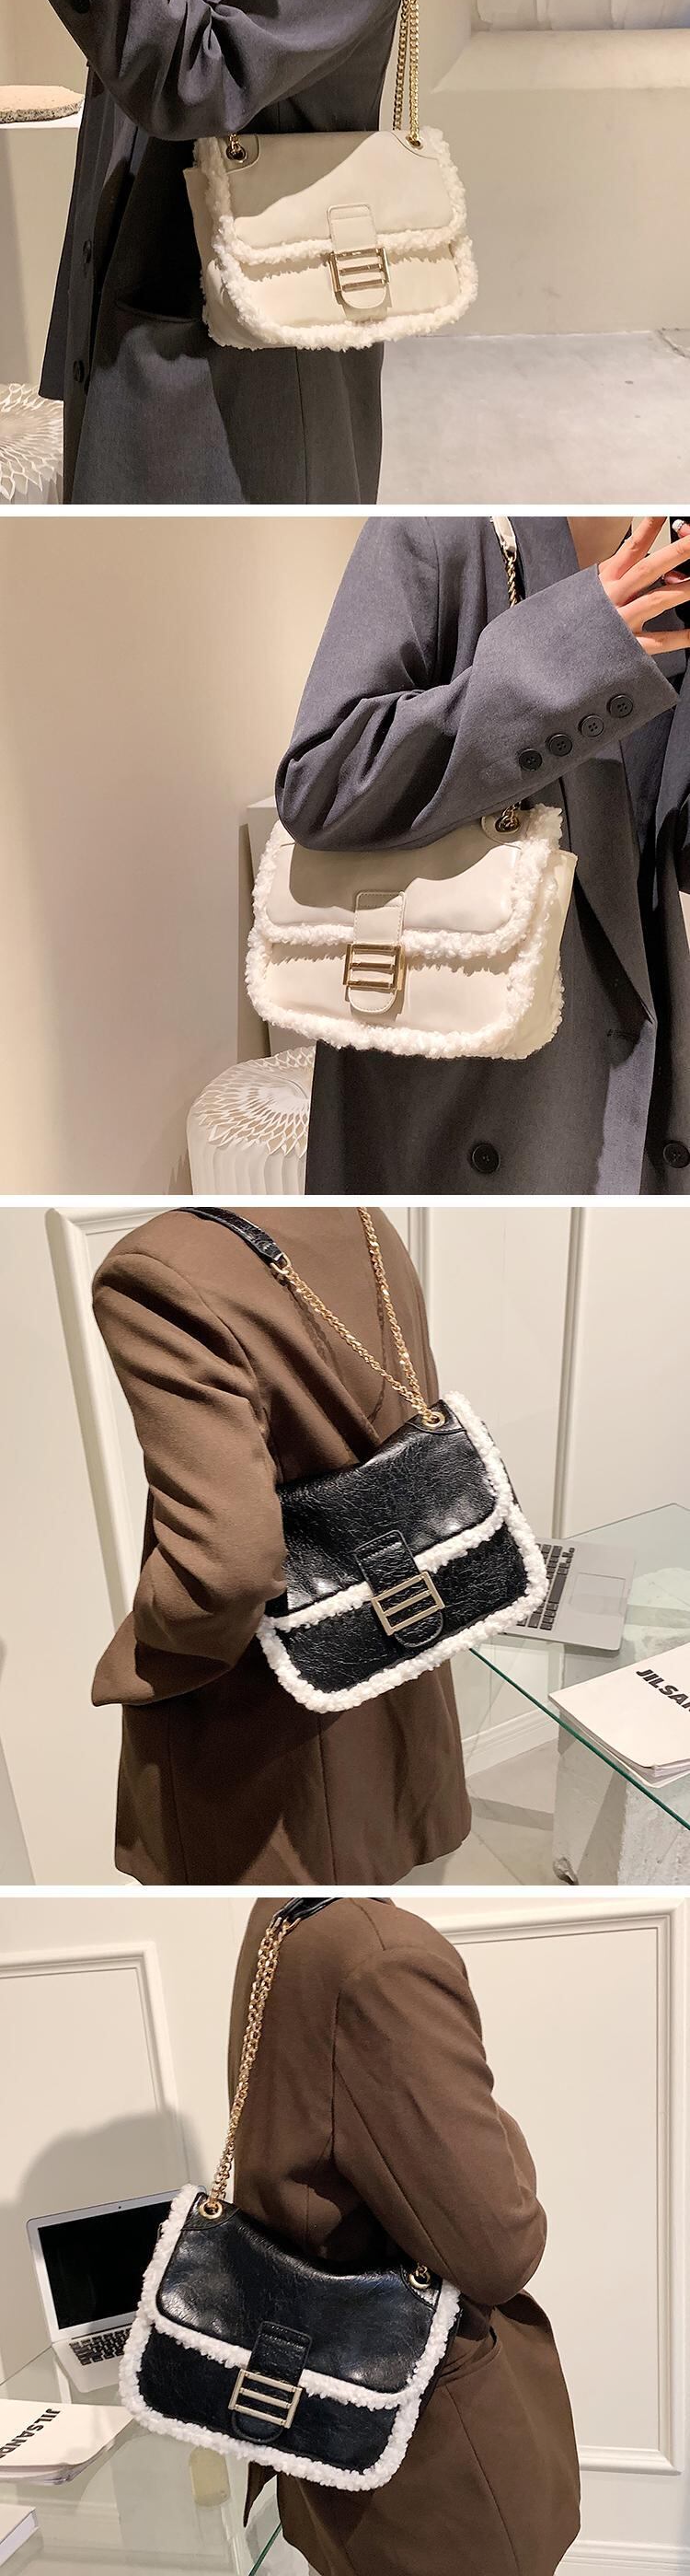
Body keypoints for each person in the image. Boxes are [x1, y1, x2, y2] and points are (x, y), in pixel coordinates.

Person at [276, 514, 690, 1194]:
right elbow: (322, 786)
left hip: (633, 1072)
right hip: (468, 1076)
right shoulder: (444, 529)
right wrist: (571, 652)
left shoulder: (666, 578)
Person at [0, 0, 406, 502]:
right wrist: (76, 345)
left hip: (254, 376)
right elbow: (108, 136)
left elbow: (195, 82)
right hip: (120, 339)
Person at [90, 1205, 467, 1886]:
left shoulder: (157, 1269)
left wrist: (140, 1659)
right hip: (403, 1647)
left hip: (267, 1729)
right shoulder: (363, 1218)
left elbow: (227, 1568)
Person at [231, 1893, 581, 2576]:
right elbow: (500, 2249)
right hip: (427, 2470)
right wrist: (507, 2135)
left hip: (329, 2421)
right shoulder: (380, 1958)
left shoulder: (288, 1914)